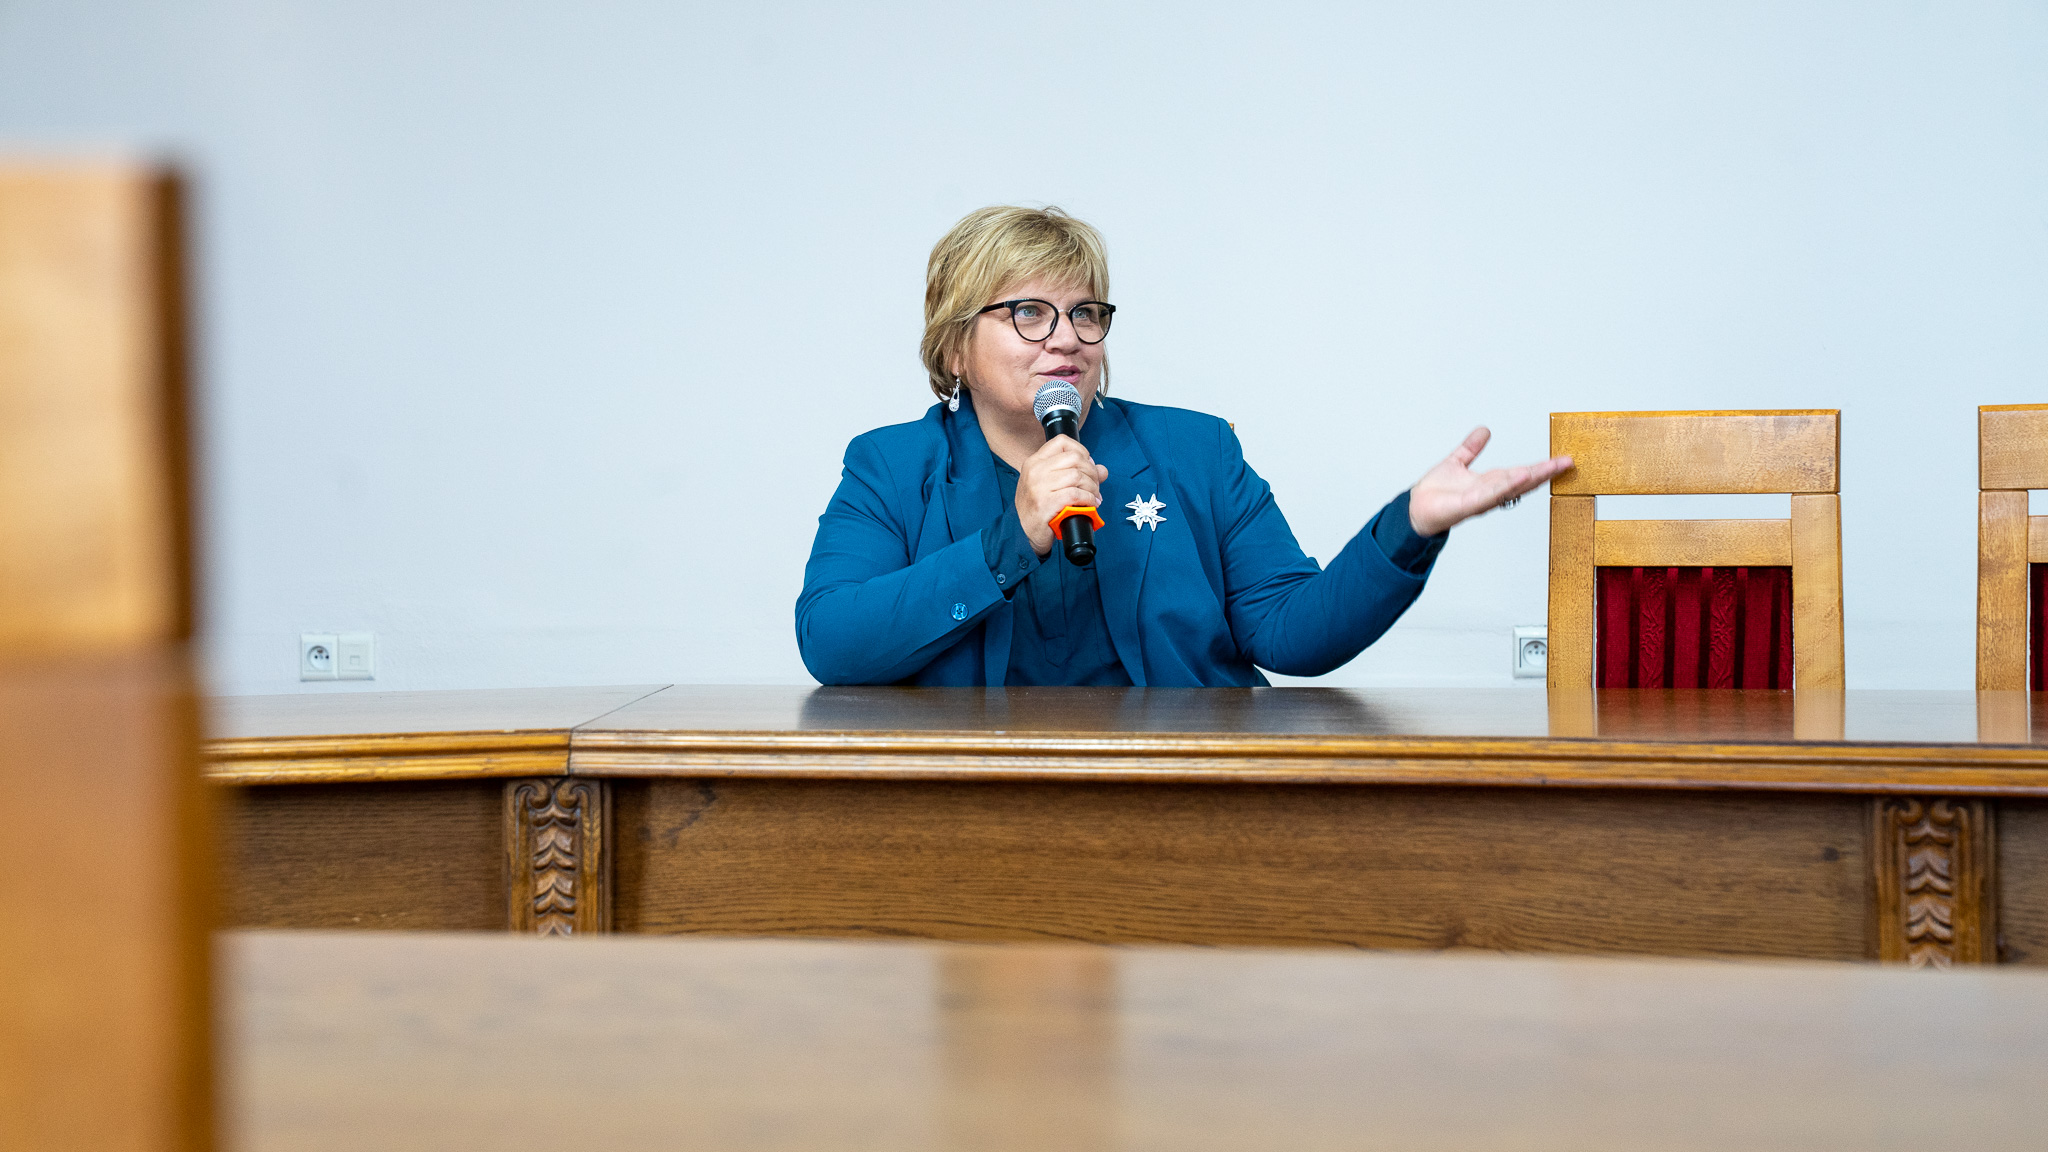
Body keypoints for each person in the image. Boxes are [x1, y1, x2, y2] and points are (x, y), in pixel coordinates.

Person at [796, 206, 1570, 687]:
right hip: (972, 809)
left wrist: (1411, 524)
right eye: (1029, 313)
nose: (1067, 338)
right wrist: (1012, 538)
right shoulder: (889, 467)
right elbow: (832, 642)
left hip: (1184, 793)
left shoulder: (1196, 450)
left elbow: (1292, 632)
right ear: (954, 347)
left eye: (1085, 313)